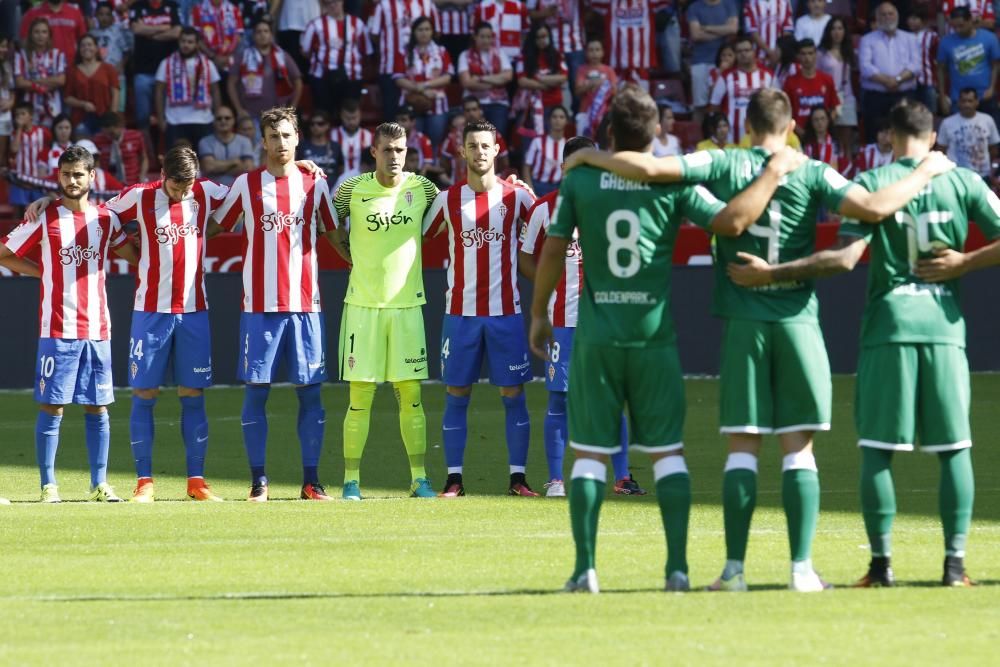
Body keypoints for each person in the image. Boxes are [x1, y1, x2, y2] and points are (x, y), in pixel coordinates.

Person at [562, 87, 956, 593]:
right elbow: (875, 208)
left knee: (742, 451)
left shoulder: (723, 163)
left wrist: (591, 154)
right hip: (798, 323)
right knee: (799, 451)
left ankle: (733, 571)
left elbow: (650, 171)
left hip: (742, 322)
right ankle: (801, 571)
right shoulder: (811, 169)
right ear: (791, 124)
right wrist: (924, 171)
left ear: (747, 125)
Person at [528, 86, 813, 593]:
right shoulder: (676, 184)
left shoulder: (581, 181)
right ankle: (678, 570)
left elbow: (552, 251)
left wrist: (538, 314)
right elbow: (728, 222)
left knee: (590, 454)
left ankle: (586, 570)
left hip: (596, 337)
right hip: (654, 338)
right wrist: (772, 176)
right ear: (657, 131)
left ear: (610, 132)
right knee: (668, 455)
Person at [727, 98, 995, 589]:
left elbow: (844, 259)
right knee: (955, 448)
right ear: (933, 136)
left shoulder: (873, 184)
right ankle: (955, 567)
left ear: (889, 138)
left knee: (878, 448)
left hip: (888, 326)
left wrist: (772, 274)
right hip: (944, 326)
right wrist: (964, 264)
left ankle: (881, 567)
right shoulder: (963, 180)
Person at [208, 106, 339, 502]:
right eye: (273, 137)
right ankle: (259, 482)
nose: (280, 143)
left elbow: (334, 234)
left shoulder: (315, 186)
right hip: (260, 308)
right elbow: (215, 225)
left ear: (297, 138)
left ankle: (312, 482)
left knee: (311, 394)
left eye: (286, 135)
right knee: (256, 394)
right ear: (261, 142)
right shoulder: (246, 185)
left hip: (305, 307)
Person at [0, 145, 138, 503]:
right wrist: (42, 270)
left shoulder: (106, 219)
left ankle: (99, 484)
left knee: (98, 406)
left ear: (92, 177)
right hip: (57, 329)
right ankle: (49, 486)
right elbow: (4, 254)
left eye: (79, 174)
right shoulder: (44, 218)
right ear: (58, 177)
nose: (72, 180)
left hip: (98, 329)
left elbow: (133, 254)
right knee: (53, 406)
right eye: (66, 174)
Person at [519, 135, 647, 498]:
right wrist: (550, 284)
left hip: (606, 319)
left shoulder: (613, 206)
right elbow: (525, 257)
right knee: (559, 399)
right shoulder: (545, 208)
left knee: (612, 397)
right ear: (563, 169)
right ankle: (556, 479)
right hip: (562, 320)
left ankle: (622, 477)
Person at [424, 119, 538, 497]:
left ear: (497, 150)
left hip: (506, 313)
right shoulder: (447, 199)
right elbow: (415, 235)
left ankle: (518, 479)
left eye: (485, 145)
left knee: (513, 395)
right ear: (462, 151)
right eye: (472, 145)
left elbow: (543, 228)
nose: (479, 152)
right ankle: (454, 479)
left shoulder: (516, 197)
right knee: (457, 393)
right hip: (460, 316)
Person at [332, 122, 441, 501]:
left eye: (401, 150)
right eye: (388, 150)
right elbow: (326, 221)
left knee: (411, 394)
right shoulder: (351, 190)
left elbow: (453, 210)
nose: (395, 157)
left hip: (408, 306)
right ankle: (351, 481)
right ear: (373, 152)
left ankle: (419, 478)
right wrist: (347, 256)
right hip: (362, 307)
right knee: (359, 398)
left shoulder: (424, 188)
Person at [367, 0, 439, 124]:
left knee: (416, 116)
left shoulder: (427, 4)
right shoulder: (383, 5)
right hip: (389, 68)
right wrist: (391, 47)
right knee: (391, 118)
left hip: (419, 71)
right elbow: (374, 34)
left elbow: (436, 32)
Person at [858, 2, 919, 143]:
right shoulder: (867, 40)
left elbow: (915, 65)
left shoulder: (910, 38)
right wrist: (888, 81)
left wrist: (897, 80)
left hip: (903, 95)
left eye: (890, 13)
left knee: (905, 134)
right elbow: (865, 67)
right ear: (877, 18)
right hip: (876, 98)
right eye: (883, 14)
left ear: (897, 16)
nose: (887, 17)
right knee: (874, 136)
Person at [300, 0, 372, 118]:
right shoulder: (315, 25)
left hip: (351, 78)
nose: (332, 5)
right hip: (322, 78)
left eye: (335, 2)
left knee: (348, 115)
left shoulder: (357, 24)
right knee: (323, 115)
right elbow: (305, 51)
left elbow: (366, 51)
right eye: (328, 3)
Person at [155, 27, 222, 149]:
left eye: (190, 42)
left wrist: (216, 115)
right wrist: (160, 119)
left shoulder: (208, 64)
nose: (186, 45)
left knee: (204, 162)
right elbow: (159, 91)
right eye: (183, 41)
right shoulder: (167, 63)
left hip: (203, 120)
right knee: (179, 163)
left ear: (197, 44)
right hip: (175, 120)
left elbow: (215, 90)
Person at [228, 18, 302, 123]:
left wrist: (292, 108)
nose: (262, 35)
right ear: (253, 36)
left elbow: (298, 81)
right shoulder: (243, 56)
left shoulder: (282, 56)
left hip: (278, 116)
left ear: (271, 35)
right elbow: (231, 83)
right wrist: (239, 110)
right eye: (259, 32)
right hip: (250, 115)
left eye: (266, 31)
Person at [395, 16, 453, 147]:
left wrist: (425, 85)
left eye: (427, 29)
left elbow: (448, 77)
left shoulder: (441, 51)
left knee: (434, 144)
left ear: (432, 31)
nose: (424, 32)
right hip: (411, 105)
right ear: (414, 32)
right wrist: (421, 90)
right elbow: (398, 78)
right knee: (411, 144)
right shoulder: (404, 51)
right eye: (420, 29)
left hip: (437, 105)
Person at [936, 6, 1000, 118]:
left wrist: (991, 88)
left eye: (961, 26)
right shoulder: (946, 42)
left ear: (970, 20)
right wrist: (942, 96)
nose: (957, 30)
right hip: (959, 99)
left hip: (985, 96)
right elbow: (940, 69)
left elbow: (996, 64)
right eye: (954, 27)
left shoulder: (989, 38)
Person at [709, 35, 774, 144]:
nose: (743, 54)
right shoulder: (726, 77)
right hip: (731, 137)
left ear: (754, 52)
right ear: (736, 55)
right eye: (739, 51)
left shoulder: (768, 76)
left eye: (747, 50)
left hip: (760, 134)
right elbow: (714, 105)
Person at [590, 0, 669, 89]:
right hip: (617, 66)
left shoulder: (648, 2)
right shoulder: (609, 2)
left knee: (641, 100)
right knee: (619, 100)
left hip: (641, 66)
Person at [129, 0, 182, 132]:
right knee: (143, 117)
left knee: (167, 115)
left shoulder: (172, 5)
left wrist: (149, 33)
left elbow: (177, 32)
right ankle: (145, 149)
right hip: (143, 71)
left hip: (168, 71)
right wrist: (164, 28)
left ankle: (167, 150)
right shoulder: (137, 6)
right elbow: (137, 29)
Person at [686, 0, 739, 126]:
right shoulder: (694, 7)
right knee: (700, 106)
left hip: (724, 59)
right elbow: (696, 35)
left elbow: (733, 29)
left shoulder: (729, 4)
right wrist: (723, 31)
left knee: (723, 103)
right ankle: (697, 139)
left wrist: (707, 28)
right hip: (700, 61)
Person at [458, 22, 514, 137]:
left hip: (498, 103)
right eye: (482, 37)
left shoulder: (500, 53)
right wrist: (496, 81)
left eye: (489, 37)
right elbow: (467, 82)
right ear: (475, 37)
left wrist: (480, 78)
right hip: (474, 104)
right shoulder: (465, 55)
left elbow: (508, 77)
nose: (486, 40)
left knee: (495, 138)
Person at [513, 22, 568, 137]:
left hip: (553, 105)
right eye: (538, 37)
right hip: (530, 107)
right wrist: (546, 84)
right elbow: (522, 81)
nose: (542, 40)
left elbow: (563, 77)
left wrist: (538, 78)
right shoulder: (523, 56)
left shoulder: (557, 55)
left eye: (545, 36)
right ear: (533, 38)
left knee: (550, 143)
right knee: (530, 145)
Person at [525, 0, 584, 103]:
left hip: (574, 45)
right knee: (550, 85)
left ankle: (577, 117)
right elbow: (529, 14)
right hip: (549, 46)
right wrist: (544, 13)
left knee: (577, 88)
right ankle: (552, 116)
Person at [937, 87, 1000, 181]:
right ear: (958, 102)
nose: (966, 104)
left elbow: (994, 149)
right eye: (963, 101)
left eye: (970, 101)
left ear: (976, 102)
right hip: (956, 176)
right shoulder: (947, 123)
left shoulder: (987, 120)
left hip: (982, 176)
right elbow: (941, 150)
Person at [63, 34, 121, 136]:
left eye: (90, 45)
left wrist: (112, 117)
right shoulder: (72, 71)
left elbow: (115, 93)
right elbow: (67, 98)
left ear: (96, 48)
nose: (86, 48)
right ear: (79, 49)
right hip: (81, 119)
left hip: (104, 118)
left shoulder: (108, 69)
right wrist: (83, 104)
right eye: (83, 45)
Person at [14, 18, 67, 127]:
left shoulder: (57, 55)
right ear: (31, 34)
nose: (40, 35)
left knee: (50, 139)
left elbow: (61, 80)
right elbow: (20, 83)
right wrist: (48, 82)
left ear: (49, 35)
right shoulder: (21, 55)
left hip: (53, 107)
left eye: (44, 32)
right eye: (36, 32)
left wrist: (32, 81)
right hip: (29, 108)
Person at [818, 17, 858, 158]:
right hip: (829, 99)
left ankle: (848, 169)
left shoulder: (849, 51)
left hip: (847, 97)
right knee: (832, 137)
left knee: (847, 139)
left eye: (840, 28)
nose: (837, 32)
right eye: (833, 28)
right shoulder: (821, 53)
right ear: (828, 31)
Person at [783, 39, 839, 134]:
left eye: (810, 53)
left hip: (822, 135)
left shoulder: (827, 79)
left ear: (816, 55)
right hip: (799, 135)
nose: (807, 58)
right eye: (803, 54)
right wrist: (800, 131)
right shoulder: (790, 82)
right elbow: (785, 112)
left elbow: (834, 108)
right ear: (798, 56)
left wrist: (824, 127)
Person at [8, 102, 52, 217]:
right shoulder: (15, 133)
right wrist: (19, 129)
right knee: (17, 212)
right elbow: (14, 149)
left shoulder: (43, 132)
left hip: (38, 180)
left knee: (39, 211)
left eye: (23, 114)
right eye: (17, 115)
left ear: (31, 116)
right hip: (20, 180)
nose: (20, 117)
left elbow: (50, 149)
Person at [197, 104, 254, 185]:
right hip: (213, 191)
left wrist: (217, 167)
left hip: (239, 190)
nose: (223, 121)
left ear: (234, 120)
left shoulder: (244, 141)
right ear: (213, 121)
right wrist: (234, 162)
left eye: (227, 118)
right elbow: (208, 167)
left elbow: (248, 168)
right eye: (219, 118)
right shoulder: (205, 141)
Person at [573, 39, 616, 140]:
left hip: (604, 114)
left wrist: (602, 87)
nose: (594, 53)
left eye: (597, 50)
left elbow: (615, 92)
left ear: (602, 52)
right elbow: (577, 91)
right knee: (583, 145)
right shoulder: (582, 70)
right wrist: (594, 83)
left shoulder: (609, 70)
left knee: (604, 145)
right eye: (591, 50)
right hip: (585, 113)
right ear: (586, 53)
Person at [521, 105, 568, 197]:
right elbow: (526, 167)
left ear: (566, 121)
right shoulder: (537, 141)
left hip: (557, 189)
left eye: (561, 117)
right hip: (537, 186)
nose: (557, 120)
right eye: (554, 117)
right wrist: (531, 191)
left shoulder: (568, 146)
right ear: (549, 120)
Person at [19, 0, 87, 63]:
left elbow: (83, 39)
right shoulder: (32, 13)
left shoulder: (75, 12)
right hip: (42, 68)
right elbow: (24, 41)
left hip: (71, 65)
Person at [93, 111, 149, 186]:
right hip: (109, 185)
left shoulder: (135, 136)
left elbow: (144, 158)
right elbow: (96, 163)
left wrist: (142, 176)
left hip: (133, 183)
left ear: (120, 126)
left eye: (112, 133)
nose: (110, 136)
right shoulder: (98, 140)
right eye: (106, 133)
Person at [190, 0, 244, 78]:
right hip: (207, 60)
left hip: (229, 59)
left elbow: (239, 35)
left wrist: (228, 56)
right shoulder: (198, 10)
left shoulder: (234, 9)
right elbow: (196, 37)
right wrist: (213, 56)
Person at [473, 0, 530, 67]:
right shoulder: (482, 6)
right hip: (487, 59)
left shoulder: (520, 6)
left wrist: (517, 48)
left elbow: (525, 31)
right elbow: (475, 31)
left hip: (512, 58)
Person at [906, 5, 939, 116]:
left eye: (915, 19)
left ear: (923, 21)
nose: (911, 22)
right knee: (911, 114)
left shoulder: (932, 36)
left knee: (929, 113)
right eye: (909, 18)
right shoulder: (903, 37)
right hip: (909, 83)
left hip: (928, 81)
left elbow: (937, 59)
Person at [330, 99, 373, 179]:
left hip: (362, 181)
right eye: (348, 118)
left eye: (354, 118)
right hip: (338, 181)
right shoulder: (332, 135)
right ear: (341, 116)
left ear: (360, 116)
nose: (351, 122)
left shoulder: (368, 136)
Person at [296, 109, 344, 180]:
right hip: (308, 186)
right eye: (312, 124)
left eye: (320, 123)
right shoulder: (302, 145)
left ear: (327, 125)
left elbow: (341, 171)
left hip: (334, 188)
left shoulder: (335, 146)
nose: (316, 126)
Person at [743, 0, 793, 67]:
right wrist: (770, 52)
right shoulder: (750, 4)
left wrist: (779, 52)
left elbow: (787, 29)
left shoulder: (784, 3)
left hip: (780, 57)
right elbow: (752, 32)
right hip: (759, 57)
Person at [803, 106, 848, 173]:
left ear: (828, 120)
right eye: (816, 120)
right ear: (811, 122)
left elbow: (842, 167)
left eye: (822, 118)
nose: (820, 122)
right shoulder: (807, 145)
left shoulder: (836, 144)